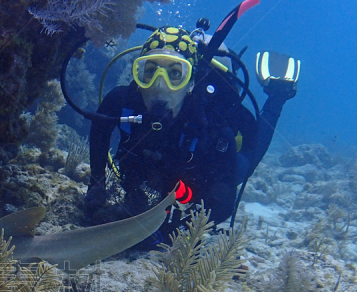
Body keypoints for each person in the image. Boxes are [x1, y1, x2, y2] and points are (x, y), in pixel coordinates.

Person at [82, 26, 297, 247]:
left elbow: (222, 203)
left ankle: (277, 98)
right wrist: (97, 182)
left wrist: (172, 231)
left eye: (175, 73)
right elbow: (99, 130)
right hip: (152, 172)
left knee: (243, 167)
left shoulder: (210, 125)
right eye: (150, 71)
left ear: (191, 82)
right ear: (137, 77)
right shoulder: (120, 101)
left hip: (196, 175)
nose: (160, 85)